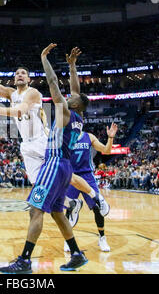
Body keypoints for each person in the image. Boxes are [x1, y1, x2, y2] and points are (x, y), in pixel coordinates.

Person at [0, 43, 91, 274]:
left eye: (71, 98)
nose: (67, 97)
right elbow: (77, 91)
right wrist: (72, 67)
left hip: (55, 163)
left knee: (35, 209)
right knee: (57, 212)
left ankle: (25, 261)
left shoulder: (65, 111)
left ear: (76, 104)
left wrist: (43, 58)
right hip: (65, 167)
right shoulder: (77, 115)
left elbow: (52, 84)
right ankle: (77, 254)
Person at [61, 47, 115, 253]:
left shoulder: (86, 132)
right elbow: (73, 93)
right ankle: (69, 240)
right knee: (69, 208)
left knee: (97, 207)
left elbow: (75, 92)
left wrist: (72, 66)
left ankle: (102, 237)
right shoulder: (67, 119)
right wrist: (72, 66)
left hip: (86, 175)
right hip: (71, 175)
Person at [0, 45, 49, 188]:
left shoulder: (33, 92)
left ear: (28, 79)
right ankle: (69, 203)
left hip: (41, 140)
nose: (20, 75)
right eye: (17, 73)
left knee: (56, 175)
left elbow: (20, 111)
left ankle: (75, 199)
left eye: (23, 73)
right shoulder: (12, 93)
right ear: (14, 79)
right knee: (36, 182)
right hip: (26, 143)